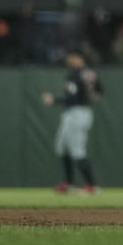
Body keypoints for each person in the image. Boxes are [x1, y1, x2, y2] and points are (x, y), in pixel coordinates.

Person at [41, 50, 103, 194]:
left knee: (77, 151)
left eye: (72, 57)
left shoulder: (75, 74)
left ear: (78, 58)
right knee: (61, 147)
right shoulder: (91, 73)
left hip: (77, 113)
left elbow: (72, 97)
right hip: (80, 112)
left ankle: (92, 185)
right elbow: (99, 92)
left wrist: (54, 99)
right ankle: (68, 183)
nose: (69, 60)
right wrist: (88, 98)